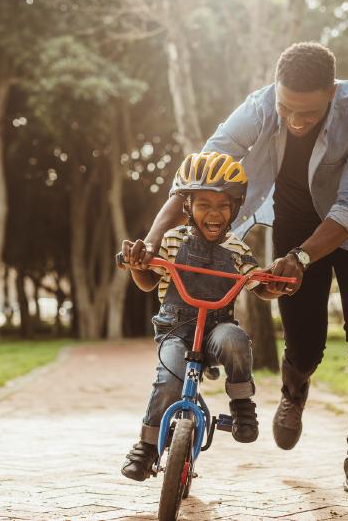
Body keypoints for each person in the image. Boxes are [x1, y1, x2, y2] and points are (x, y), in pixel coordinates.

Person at [127, 42, 348, 499]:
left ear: (331, 92)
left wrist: (303, 259)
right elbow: (198, 174)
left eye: (308, 113)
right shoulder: (259, 106)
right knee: (306, 343)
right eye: (287, 108)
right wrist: (152, 239)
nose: (295, 121)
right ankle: (295, 389)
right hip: (295, 220)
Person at [120, 152, 283, 482]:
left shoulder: (237, 248)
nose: (214, 213)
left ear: (235, 208)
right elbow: (149, 280)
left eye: (223, 205)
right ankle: (147, 446)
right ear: (187, 207)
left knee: (235, 340)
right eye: (204, 204)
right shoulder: (169, 241)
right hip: (175, 330)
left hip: (216, 329)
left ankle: (241, 405)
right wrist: (138, 266)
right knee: (169, 379)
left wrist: (275, 285)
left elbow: (258, 285)